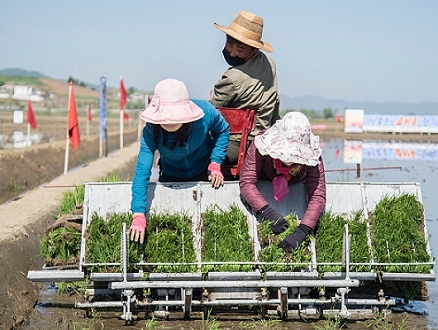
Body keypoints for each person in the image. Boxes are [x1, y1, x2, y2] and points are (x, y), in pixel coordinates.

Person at [128, 78, 230, 243]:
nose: (170, 124)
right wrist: (138, 213)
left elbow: (223, 130)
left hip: (204, 172)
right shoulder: (151, 131)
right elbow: (142, 171)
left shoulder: (205, 113)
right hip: (171, 175)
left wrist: (216, 162)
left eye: (175, 121)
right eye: (165, 122)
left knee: (209, 227)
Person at [239, 112, 326, 252]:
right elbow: (246, 182)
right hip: (265, 183)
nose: (291, 160)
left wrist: (302, 231)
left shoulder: (314, 157)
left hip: (294, 185)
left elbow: (318, 195)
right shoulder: (260, 145)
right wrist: (268, 213)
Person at [209, 10, 280, 165]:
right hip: (263, 141)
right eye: (229, 44)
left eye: (240, 49)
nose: (232, 52)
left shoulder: (233, 77)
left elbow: (210, 113)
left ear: (254, 49)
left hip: (235, 146)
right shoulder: (269, 64)